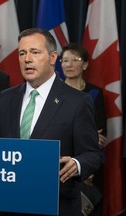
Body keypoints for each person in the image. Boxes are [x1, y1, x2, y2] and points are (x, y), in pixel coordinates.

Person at [0, 28, 102, 216]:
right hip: (9, 203)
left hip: (56, 205)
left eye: (35, 52)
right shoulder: (5, 98)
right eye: (22, 53)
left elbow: (92, 154)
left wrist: (77, 163)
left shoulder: (77, 102)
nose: (27, 59)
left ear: (52, 57)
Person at [60, 43, 107, 216]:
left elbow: (100, 137)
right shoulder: (53, 92)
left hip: (90, 162)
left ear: (85, 64)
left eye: (75, 60)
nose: (69, 64)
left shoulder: (94, 93)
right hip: (60, 161)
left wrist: (85, 167)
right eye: (65, 60)